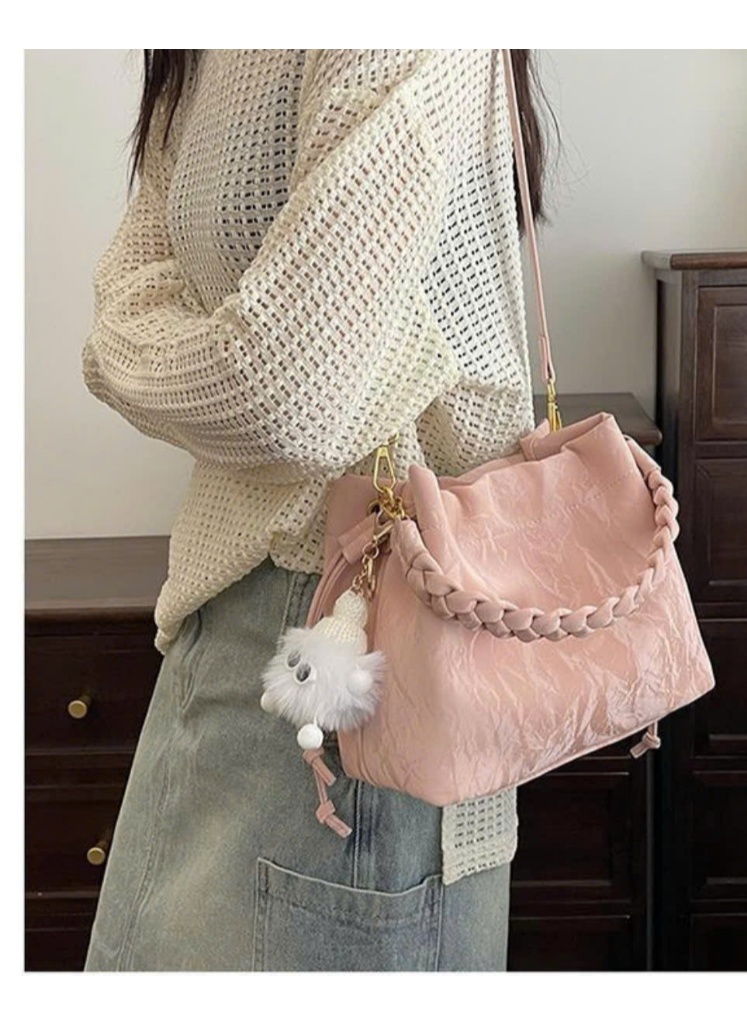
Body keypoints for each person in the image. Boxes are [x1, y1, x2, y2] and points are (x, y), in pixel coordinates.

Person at [80, 48, 553, 972]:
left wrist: (128, 355)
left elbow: (285, 396)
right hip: (220, 627)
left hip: (366, 649)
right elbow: (130, 294)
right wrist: (137, 350)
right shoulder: (197, 46)